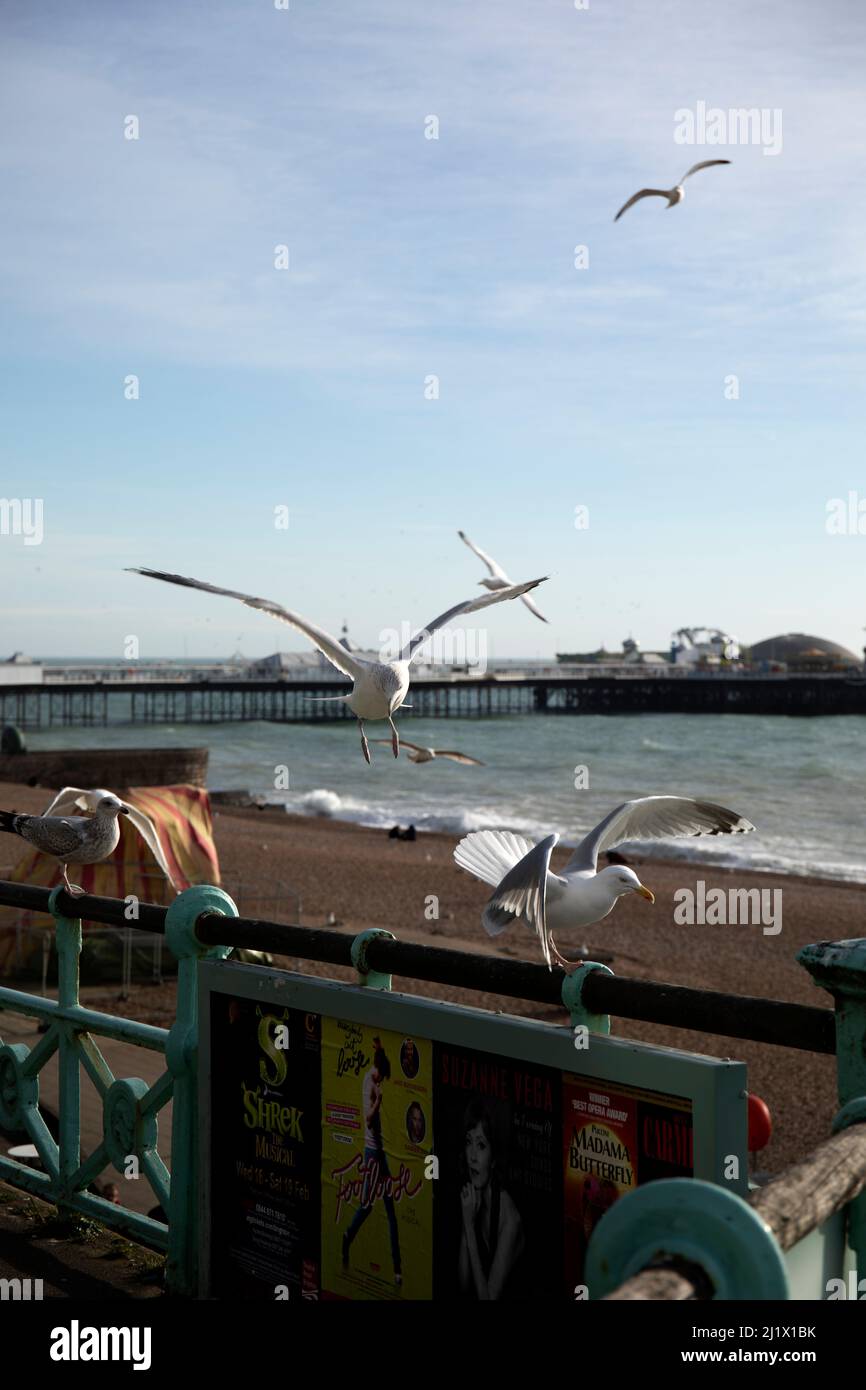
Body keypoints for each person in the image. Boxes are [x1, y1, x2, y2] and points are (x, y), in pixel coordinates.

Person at [342, 1038, 402, 1286]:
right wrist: (378, 1101)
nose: (381, 1082)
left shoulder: (373, 1073)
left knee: (390, 1212)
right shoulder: (370, 1083)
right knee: (366, 1206)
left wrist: (380, 1049)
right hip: (371, 1152)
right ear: (377, 1074)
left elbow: (380, 1056)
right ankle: (347, 1237)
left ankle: (397, 1269)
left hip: (380, 1154)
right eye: (382, 1078)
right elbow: (367, 1119)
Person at [458, 1099, 524, 1300]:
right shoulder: (473, 1198)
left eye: (481, 1145)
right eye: (469, 1142)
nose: (472, 1156)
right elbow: (461, 1287)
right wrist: (466, 1223)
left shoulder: (510, 1218)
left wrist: (468, 1226)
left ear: (494, 1158)